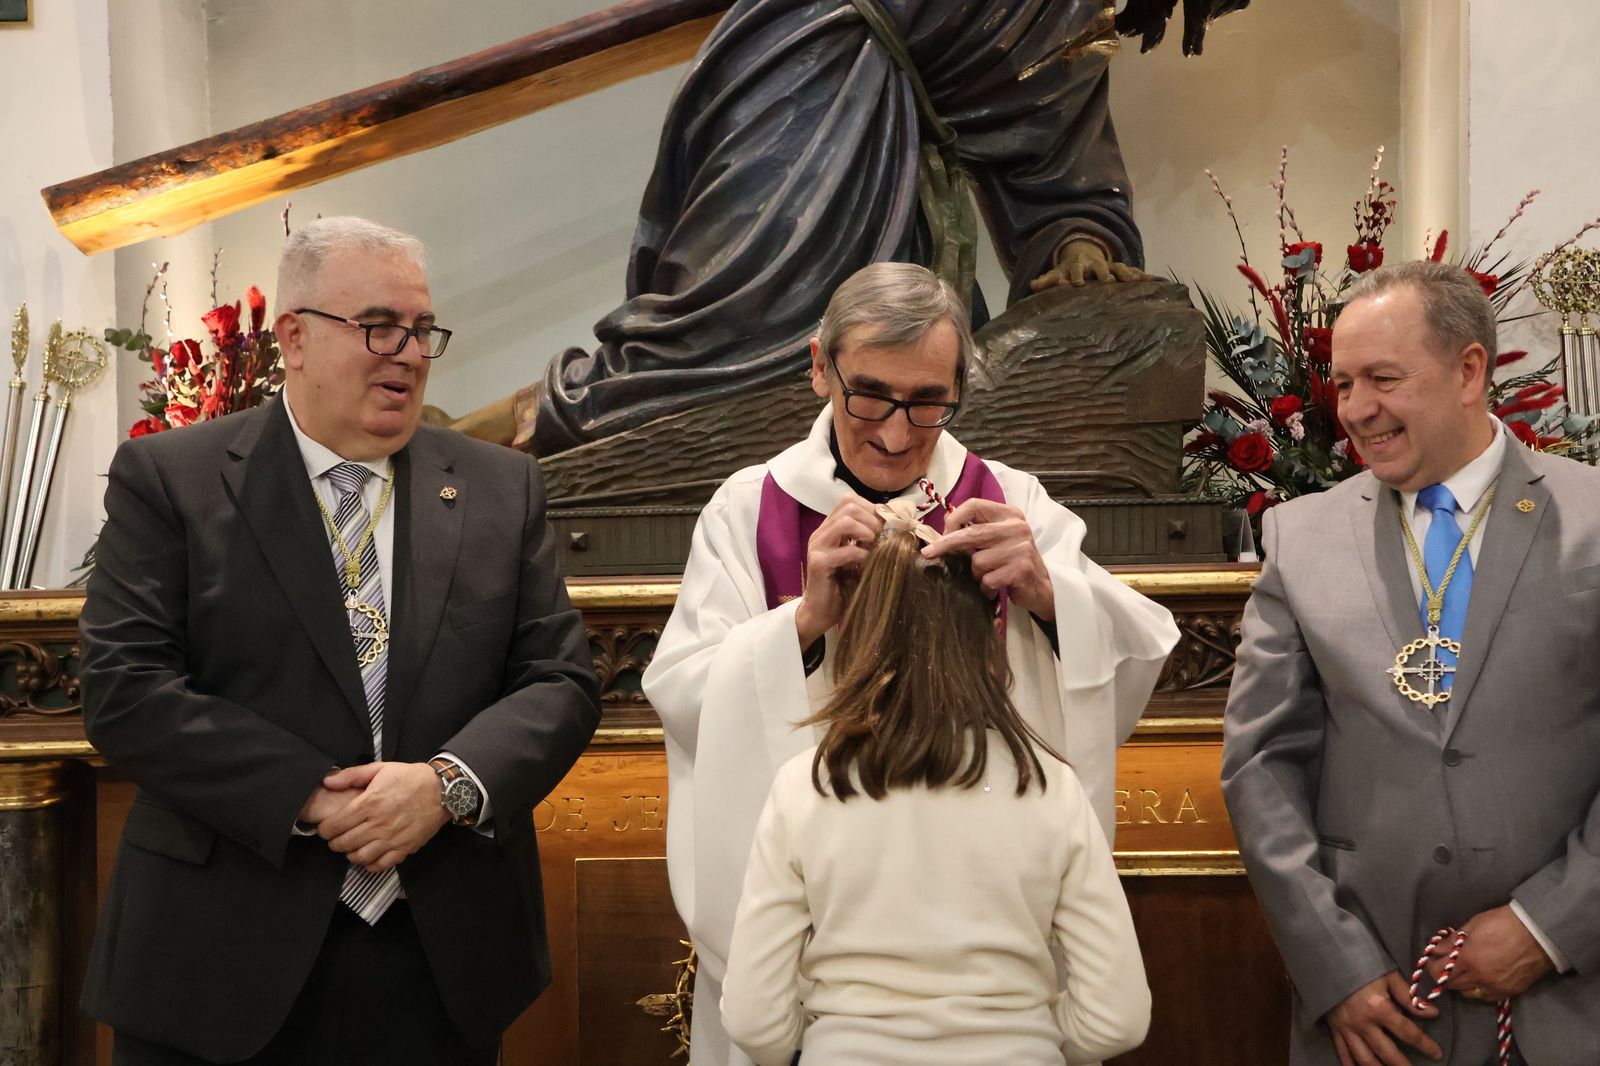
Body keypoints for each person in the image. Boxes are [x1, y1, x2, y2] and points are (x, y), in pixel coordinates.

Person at [78, 216, 601, 1065]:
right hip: (218, 958)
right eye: (378, 327)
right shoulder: (174, 480)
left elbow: (560, 682)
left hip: (439, 961)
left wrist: (445, 787)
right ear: (293, 337)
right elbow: (125, 689)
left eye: (422, 329)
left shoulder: (502, 488)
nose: (409, 351)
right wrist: (318, 800)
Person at [641, 260, 1178, 1066]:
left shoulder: (1011, 498)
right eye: (871, 395)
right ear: (819, 366)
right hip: (818, 920)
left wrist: (1046, 592)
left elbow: (1139, 650)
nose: (896, 433)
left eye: (928, 402)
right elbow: (680, 690)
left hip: (995, 921)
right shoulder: (750, 507)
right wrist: (804, 621)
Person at [486, 0, 1250, 454]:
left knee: (866, 361)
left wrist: (1078, 241)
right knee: (714, 332)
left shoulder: (1074, 13)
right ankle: (488, 436)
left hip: (896, 173)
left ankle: (489, 435)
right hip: (803, 63)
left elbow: (1055, 148)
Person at [1221, 260, 1600, 1066]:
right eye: (1345, 382)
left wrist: (1552, 925)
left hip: (1570, 1003)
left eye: (1382, 379)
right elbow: (1260, 767)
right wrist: (1335, 966)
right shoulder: (1302, 538)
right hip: (1377, 1012)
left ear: (1469, 371)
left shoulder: (1594, 521)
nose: (1357, 410)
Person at [720, 507, 1152, 1065]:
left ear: (853, 638)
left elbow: (756, 1020)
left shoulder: (807, 787)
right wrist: (1025, 1036)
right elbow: (1116, 1017)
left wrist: (836, 1039)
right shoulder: (1050, 787)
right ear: (993, 641)